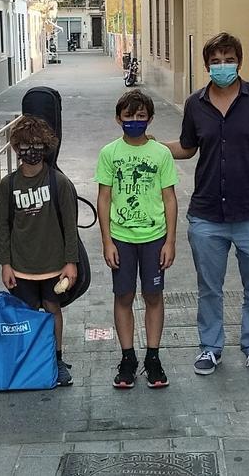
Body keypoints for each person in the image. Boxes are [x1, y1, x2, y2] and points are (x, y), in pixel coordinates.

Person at [165, 32, 249, 376]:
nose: (223, 66)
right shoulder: (195, 104)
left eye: (228, 59)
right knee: (208, 287)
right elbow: (188, 147)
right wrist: (152, 146)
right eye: (216, 61)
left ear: (239, 61)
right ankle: (210, 347)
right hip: (207, 214)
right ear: (207, 66)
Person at [96, 90, 178, 389]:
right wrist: (107, 241)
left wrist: (170, 241)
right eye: (129, 116)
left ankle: (153, 358)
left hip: (154, 238)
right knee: (124, 296)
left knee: (154, 296)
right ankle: (128, 357)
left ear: (150, 118)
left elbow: (170, 199)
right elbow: (103, 199)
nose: (134, 121)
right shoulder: (110, 153)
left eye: (140, 116)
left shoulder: (160, 154)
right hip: (122, 238)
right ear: (119, 118)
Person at [0, 116, 80, 387]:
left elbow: (70, 225)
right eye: (24, 145)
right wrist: (5, 263)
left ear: (46, 147)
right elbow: (2, 226)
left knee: (53, 308)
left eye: (36, 144)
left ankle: (56, 359)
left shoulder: (59, 183)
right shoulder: (8, 185)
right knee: (28, 313)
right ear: (15, 147)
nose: (30, 150)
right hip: (21, 266)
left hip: (54, 264)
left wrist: (71, 262)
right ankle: (32, 360)